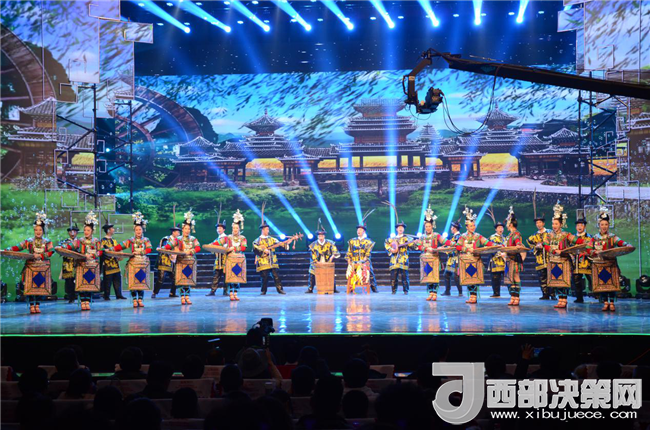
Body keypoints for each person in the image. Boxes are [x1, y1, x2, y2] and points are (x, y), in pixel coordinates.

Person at [586, 206, 635, 312]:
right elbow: (588, 248)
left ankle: (612, 302)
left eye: (606, 224)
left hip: (611, 264)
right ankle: (605, 302)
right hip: (599, 264)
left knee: (612, 284)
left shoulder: (612, 237)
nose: (604, 226)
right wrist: (594, 252)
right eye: (602, 224)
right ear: (599, 225)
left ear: (608, 225)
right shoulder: (595, 238)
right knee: (602, 284)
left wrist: (627, 245)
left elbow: (621, 242)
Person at [4, 210, 53, 314]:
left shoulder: (47, 242)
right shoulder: (29, 241)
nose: (38, 232)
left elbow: (51, 252)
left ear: (43, 230)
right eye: (36, 230)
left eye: (40, 230)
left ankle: (37, 305)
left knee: (40, 286)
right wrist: (8, 250)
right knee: (30, 287)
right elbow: (18, 247)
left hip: (42, 268)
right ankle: (31, 305)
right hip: (31, 267)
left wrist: (41, 255)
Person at [543, 201, 584, 309]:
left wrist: (586, 242)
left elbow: (578, 241)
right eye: (553, 224)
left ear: (561, 224)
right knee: (557, 281)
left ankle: (564, 300)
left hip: (564, 261)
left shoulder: (566, 235)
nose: (554, 226)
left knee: (563, 282)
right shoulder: (549, 235)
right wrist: (552, 251)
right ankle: (560, 299)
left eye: (556, 224)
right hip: (554, 261)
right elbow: (545, 244)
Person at [449, 206, 495, 304]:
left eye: (474, 225)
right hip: (466, 261)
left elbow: (487, 242)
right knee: (468, 279)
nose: (473, 227)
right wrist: (466, 249)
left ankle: (474, 296)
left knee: (474, 278)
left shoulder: (478, 236)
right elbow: (457, 246)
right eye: (471, 226)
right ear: (466, 227)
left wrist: (496, 245)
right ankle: (471, 295)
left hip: (475, 261)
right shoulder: (463, 237)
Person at [62, 211, 102, 311]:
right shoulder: (80, 241)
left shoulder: (96, 241)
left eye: (88, 230)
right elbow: (70, 246)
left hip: (91, 266)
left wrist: (93, 255)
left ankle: (87, 301)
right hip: (81, 266)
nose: (86, 232)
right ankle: (83, 301)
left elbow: (100, 251)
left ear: (92, 231)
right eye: (85, 230)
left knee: (89, 284)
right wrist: (62, 247)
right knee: (81, 285)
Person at [113, 212, 153, 308]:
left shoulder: (146, 240)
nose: (138, 231)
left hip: (143, 263)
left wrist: (141, 252)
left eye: (140, 229)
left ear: (142, 230)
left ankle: (140, 299)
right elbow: (120, 246)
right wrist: (111, 249)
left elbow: (149, 249)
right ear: (134, 230)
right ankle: (134, 299)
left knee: (141, 282)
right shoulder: (131, 240)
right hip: (133, 263)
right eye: (136, 230)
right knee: (133, 282)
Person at [164, 209, 201, 304]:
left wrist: (191, 251)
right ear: (182, 229)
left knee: (188, 280)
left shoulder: (193, 239)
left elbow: (198, 247)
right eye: (185, 229)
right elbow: (170, 245)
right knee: (181, 280)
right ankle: (182, 297)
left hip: (190, 261)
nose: (187, 231)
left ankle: (187, 296)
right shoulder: (178, 239)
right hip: (181, 262)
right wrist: (163, 248)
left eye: (188, 229)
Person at [252, 205, 288, 295]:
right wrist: (263, 251)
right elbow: (255, 248)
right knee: (264, 277)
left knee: (276, 276)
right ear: (263, 230)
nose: (268, 231)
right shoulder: (257, 240)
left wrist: (285, 244)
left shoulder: (272, 239)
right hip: (263, 261)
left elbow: (279, 244)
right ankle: (263, 290)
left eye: (268, 229)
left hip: (272, 260)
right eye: (267, 229)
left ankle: (280, 289)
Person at [384, 208, 418, 295]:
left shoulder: (407, 238)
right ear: (396, 229)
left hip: (403, 259)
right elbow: (386, 244)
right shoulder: (391, 239)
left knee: (404, 276)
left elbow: (413, 246)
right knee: (393, 276)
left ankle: (406, 290)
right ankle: (393, 290)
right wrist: (391, 249)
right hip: (394, 260)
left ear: (404, 229)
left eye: (402, 227)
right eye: (399, 227)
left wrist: (415, 243)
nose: (400, 229)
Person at [346, 209, 378, 293]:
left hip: (364, 261)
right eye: (357, 230)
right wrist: (349, 261)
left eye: (360, 230)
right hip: (354, 261)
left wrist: (363, 261)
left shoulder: (368, 241)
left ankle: (374, 287)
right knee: (351, 272)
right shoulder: (352, 241)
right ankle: (351, 288)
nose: (358, 231)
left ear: (364, 231)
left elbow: (368, 253)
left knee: (370, 273)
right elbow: (349, 252)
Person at [417, 206, 445, 301]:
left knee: (435, 277)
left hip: (435, 259)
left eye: (429, 226)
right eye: (426, 226)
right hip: (426, 259)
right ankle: (430, 293)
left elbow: (446, 242)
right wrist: (426, 248)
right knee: (428, 276)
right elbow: (419, 246)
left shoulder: (436, 235)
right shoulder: (422, 237)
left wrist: (452, 245)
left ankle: (435, 293)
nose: (428, 228)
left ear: (432, 226)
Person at [306, 219, 340, 293]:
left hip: (327, 261)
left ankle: (333, 288)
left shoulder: (330, 243)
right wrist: (316, 261)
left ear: (324, 236)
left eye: (322, 236)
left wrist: (332, 257)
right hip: (317, 262)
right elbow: (312, 254)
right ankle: (310, 288)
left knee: (330, 273)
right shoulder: (313, 244)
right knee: (312, 273)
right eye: (319, 236)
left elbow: (335, 251)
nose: (320, 237)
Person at [220, 210, 247, 301]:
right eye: (234, 228)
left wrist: (234, 248)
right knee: (231, 277)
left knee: (237, 277)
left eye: (237, 228)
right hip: (230, 260)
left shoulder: (242, 238)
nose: (235, 229)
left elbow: (244, 247)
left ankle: (235, 293)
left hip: (239, 260)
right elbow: (219, 243)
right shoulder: (228, 237)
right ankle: (231, 293)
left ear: (239, 229)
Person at [527, 210, 554, 300]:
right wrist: (536, 247)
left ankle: (553, 294)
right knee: (542, 277)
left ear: (543, 223)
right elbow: (530, 243)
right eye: (537, 223)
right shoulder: (534, 235)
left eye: (540, 222)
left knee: (551, 276)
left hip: (550, 258)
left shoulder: (550, 233)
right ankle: (545, 294)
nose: (538, 224)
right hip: (540, 259)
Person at [503, 207, 525, 306]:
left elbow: (518, 244)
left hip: (515, 259)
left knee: (515, 277)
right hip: (509, 260)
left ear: (510, 224)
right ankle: (512, 296)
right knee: (510, 278)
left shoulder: (516, 234)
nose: (506, 226)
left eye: (507, 223)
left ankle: (517, 297)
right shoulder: (509, 235)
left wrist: (517, 246)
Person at [153, 224, 180, 298]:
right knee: (161, 279)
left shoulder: (178, 240)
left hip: (173, 262)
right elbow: (165, 248)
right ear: (173, 232)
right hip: (164, 262)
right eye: (177, 232)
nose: (179, 234)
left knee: (176, 278)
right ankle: (155, 292)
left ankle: (172, 293)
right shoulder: (166, 239)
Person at [100, 221, 126, 300]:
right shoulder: (103, 240)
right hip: (107, 263)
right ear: (108, 230)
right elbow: (102, 250)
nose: (113, 230)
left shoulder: (114, 240)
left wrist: (120, 255)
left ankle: (119, 294)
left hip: (115, 262)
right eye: (112, 228)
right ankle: (106, 295)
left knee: (117, 279)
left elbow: (117, 248)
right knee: (107, 281)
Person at [207, 207, 228, 296]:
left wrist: (211, 245)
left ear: (223, 229)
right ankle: (213, 291)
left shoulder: (226, 238)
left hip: (225, 260)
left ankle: (226, 291)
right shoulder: (217, 239)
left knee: (226, 276)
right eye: (217, 228)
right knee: (215, 276)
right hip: (218, 260)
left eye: (220, 228)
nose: (218, 230)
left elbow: (217, 244)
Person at [486, 208, 506, 298]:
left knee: (506, 277)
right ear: (496, 229)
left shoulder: (505, 238)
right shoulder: (492, 237)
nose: (501, 229)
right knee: (495, 278)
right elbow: (491, 248)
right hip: (495, 261)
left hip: (504, 260)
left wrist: (505, 254)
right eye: (499, 228)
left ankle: (512, 293)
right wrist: (499, 253)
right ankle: (496, 292)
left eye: (502, 227)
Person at [572, 218, 592, 303]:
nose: (579, 227)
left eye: (581, 225)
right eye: (578, 225)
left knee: (592, 280)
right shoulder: (572, 237)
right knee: (576, 281)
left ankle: (599, 296)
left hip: (588, 262)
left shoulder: (590, 237)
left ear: (585, 227)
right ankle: (579, 298)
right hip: (576, 263)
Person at [442, 219, 462, 296]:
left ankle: (460, 292)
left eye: (452, 227)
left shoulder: (458, 237)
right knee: (446, 274)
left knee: (455, 276)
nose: (451, 229)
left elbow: (455, 246)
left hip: (456, 259)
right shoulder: (454, 237)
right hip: (451, 259)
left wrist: (446, 248)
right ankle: (447, 291)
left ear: (454, 228)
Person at [60, 223, 79, 303]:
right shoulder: (65, 242)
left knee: (78, 280)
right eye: (71, 232)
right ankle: (70, 296)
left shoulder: (80, 241)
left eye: (74, 231)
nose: (72, 233)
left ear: (77, 232)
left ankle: (78, 296)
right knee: (69, 281)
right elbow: (61, 249)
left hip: (77, 264)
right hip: (68, 264)